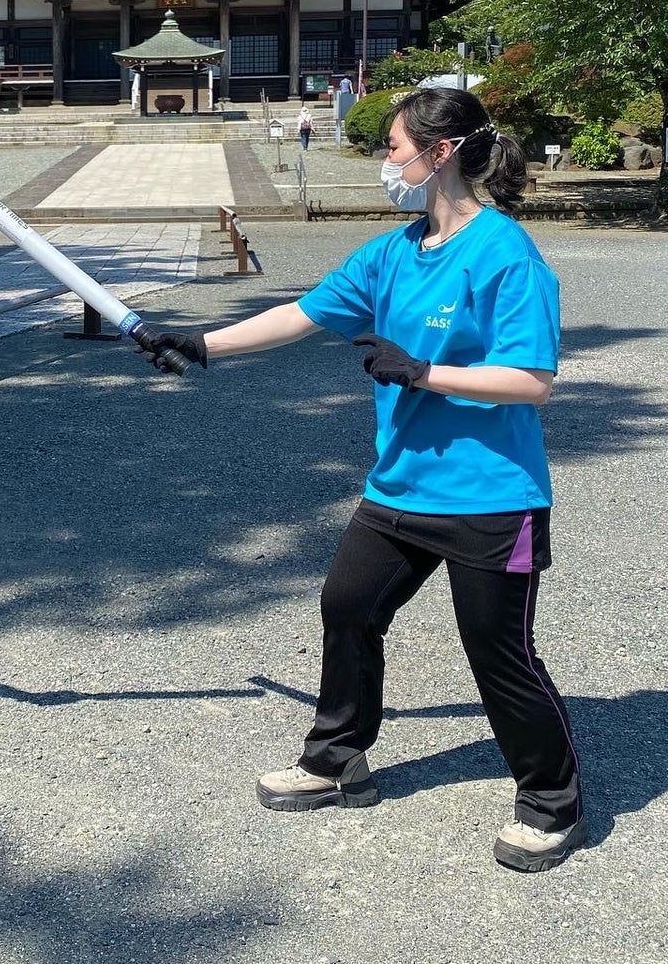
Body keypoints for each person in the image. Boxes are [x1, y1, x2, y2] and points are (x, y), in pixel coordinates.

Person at [139, 87, 583, 873]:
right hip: (398, 488)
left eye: (394, 147)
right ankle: (336, 759)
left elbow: (532, 381)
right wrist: (202, 344)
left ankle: (552, 801)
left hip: (492, 497)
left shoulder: (505, 253)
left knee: (498, 652)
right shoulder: (391, 253)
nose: (387, 161)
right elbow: (304, 313)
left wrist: (424, 372)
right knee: (347, 609)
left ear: (440, 154)